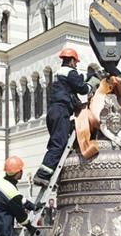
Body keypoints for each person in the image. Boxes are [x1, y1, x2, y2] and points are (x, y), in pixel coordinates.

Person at [33, 47, 99, 187]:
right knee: (59, 143)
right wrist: (92, 83)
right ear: (72, 61)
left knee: (57, 142)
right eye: (76, 62)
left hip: (54, 112)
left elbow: (72, 91)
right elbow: (82, 88)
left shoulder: (60, 75)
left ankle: (49, 175)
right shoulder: (70, 72)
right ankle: (42, 175)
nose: (76, 65)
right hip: (60, 111)